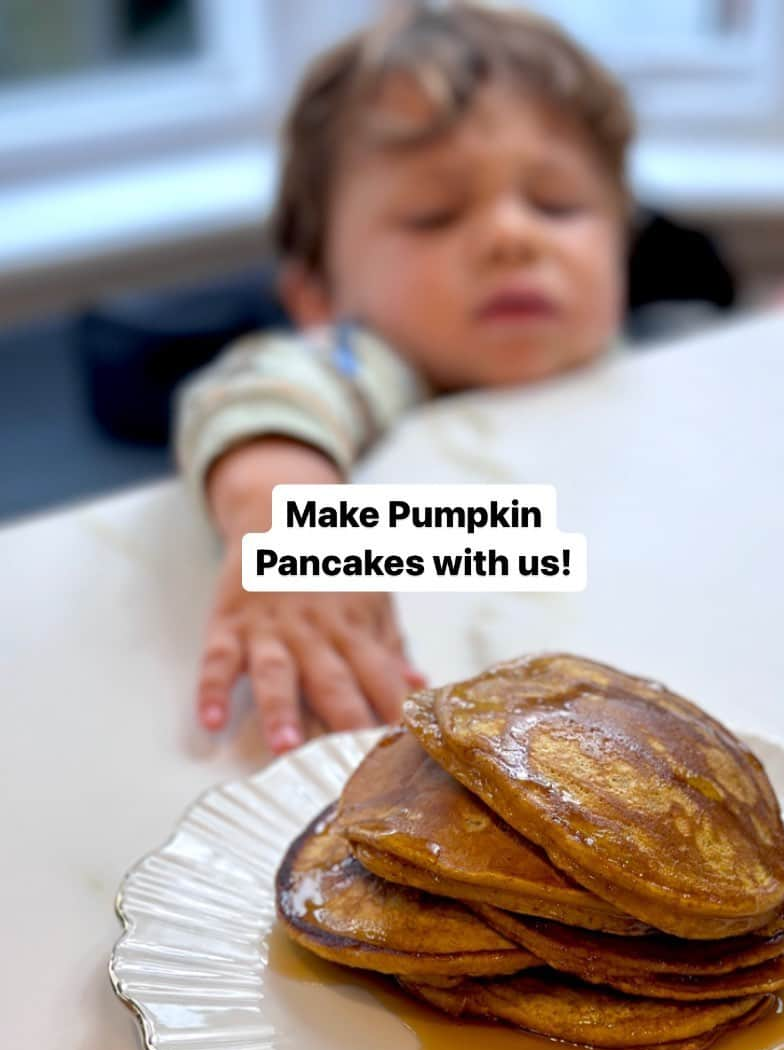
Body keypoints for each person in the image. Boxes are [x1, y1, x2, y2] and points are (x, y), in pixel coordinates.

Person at [175, 1, 635, 754]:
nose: (511, 236)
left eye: (557, 205)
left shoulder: (636, 352)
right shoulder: (368, 359)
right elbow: (261, 392)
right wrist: (290, 522)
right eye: (434, 215)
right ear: (319, 296)